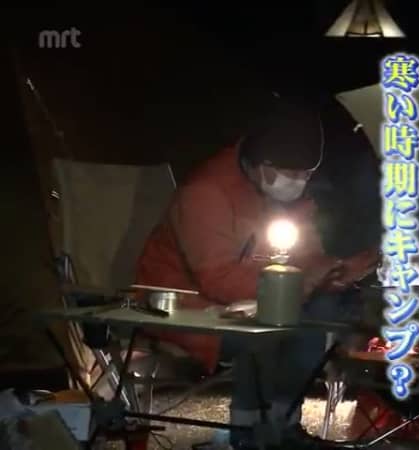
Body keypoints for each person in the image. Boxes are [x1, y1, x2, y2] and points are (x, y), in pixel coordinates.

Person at [135, 94, 378, 448]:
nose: (300, 182)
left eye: (307, 175)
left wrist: (332, 274)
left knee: (324, 313)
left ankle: (282, 425)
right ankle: (248, 433)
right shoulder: (206, 193)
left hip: (255, 297)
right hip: (187, 305)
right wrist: (303, 284)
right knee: (269, 330)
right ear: (262, 164)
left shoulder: (285, 196)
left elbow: (306, 255)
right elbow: (218, 279)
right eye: (292, 174)